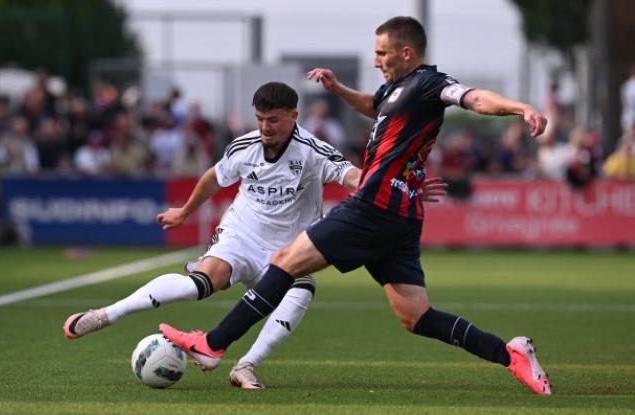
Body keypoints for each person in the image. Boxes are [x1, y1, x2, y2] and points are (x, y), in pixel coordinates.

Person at [160, 16, 552, 396]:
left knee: (285, 260)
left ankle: (213, 343)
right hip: (400, 216)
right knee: (416, 316)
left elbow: (473, 97)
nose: (376, 60)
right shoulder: (396, 91)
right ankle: (511, 354)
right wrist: (337, 89)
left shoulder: (430, 83)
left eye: (382, 53)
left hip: (373, 206)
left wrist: (520, 108)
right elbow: (373, 105)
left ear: (407, 52)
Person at [62, 81, 448, 389]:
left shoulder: (312, 150)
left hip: (289, 249)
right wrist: (185, 211)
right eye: (261, 119)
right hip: (241, 235)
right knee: (201, 283)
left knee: (301, 292)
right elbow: (215, 177)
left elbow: (352, 176)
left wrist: (397, 186)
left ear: (293, 117)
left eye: (274, 120)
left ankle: (246, 366)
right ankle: (107, 314)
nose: (265, 127)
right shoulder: (244, 146)